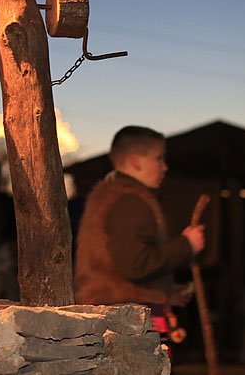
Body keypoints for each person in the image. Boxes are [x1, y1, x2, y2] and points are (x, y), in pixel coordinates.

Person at [74, 126, 205, 346]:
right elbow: (135, 265)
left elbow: (116, 266)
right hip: (127, 321)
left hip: (115, 314)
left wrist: (163, 292)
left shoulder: (112, 196)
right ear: (136, 161)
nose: (165, 167)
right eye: (159, 158)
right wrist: (186, 245)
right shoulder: (130, 201)